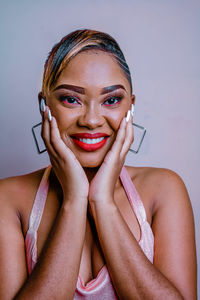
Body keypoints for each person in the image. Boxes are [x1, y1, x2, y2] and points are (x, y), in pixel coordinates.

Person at [0, 29, 197, 300]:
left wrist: (102, 201)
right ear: (45, 107)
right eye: (71, 99)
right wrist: (74, 199)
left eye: (111, 100)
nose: (92, 120)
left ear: (131, 107)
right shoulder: (8, 199)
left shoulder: (164, 189)